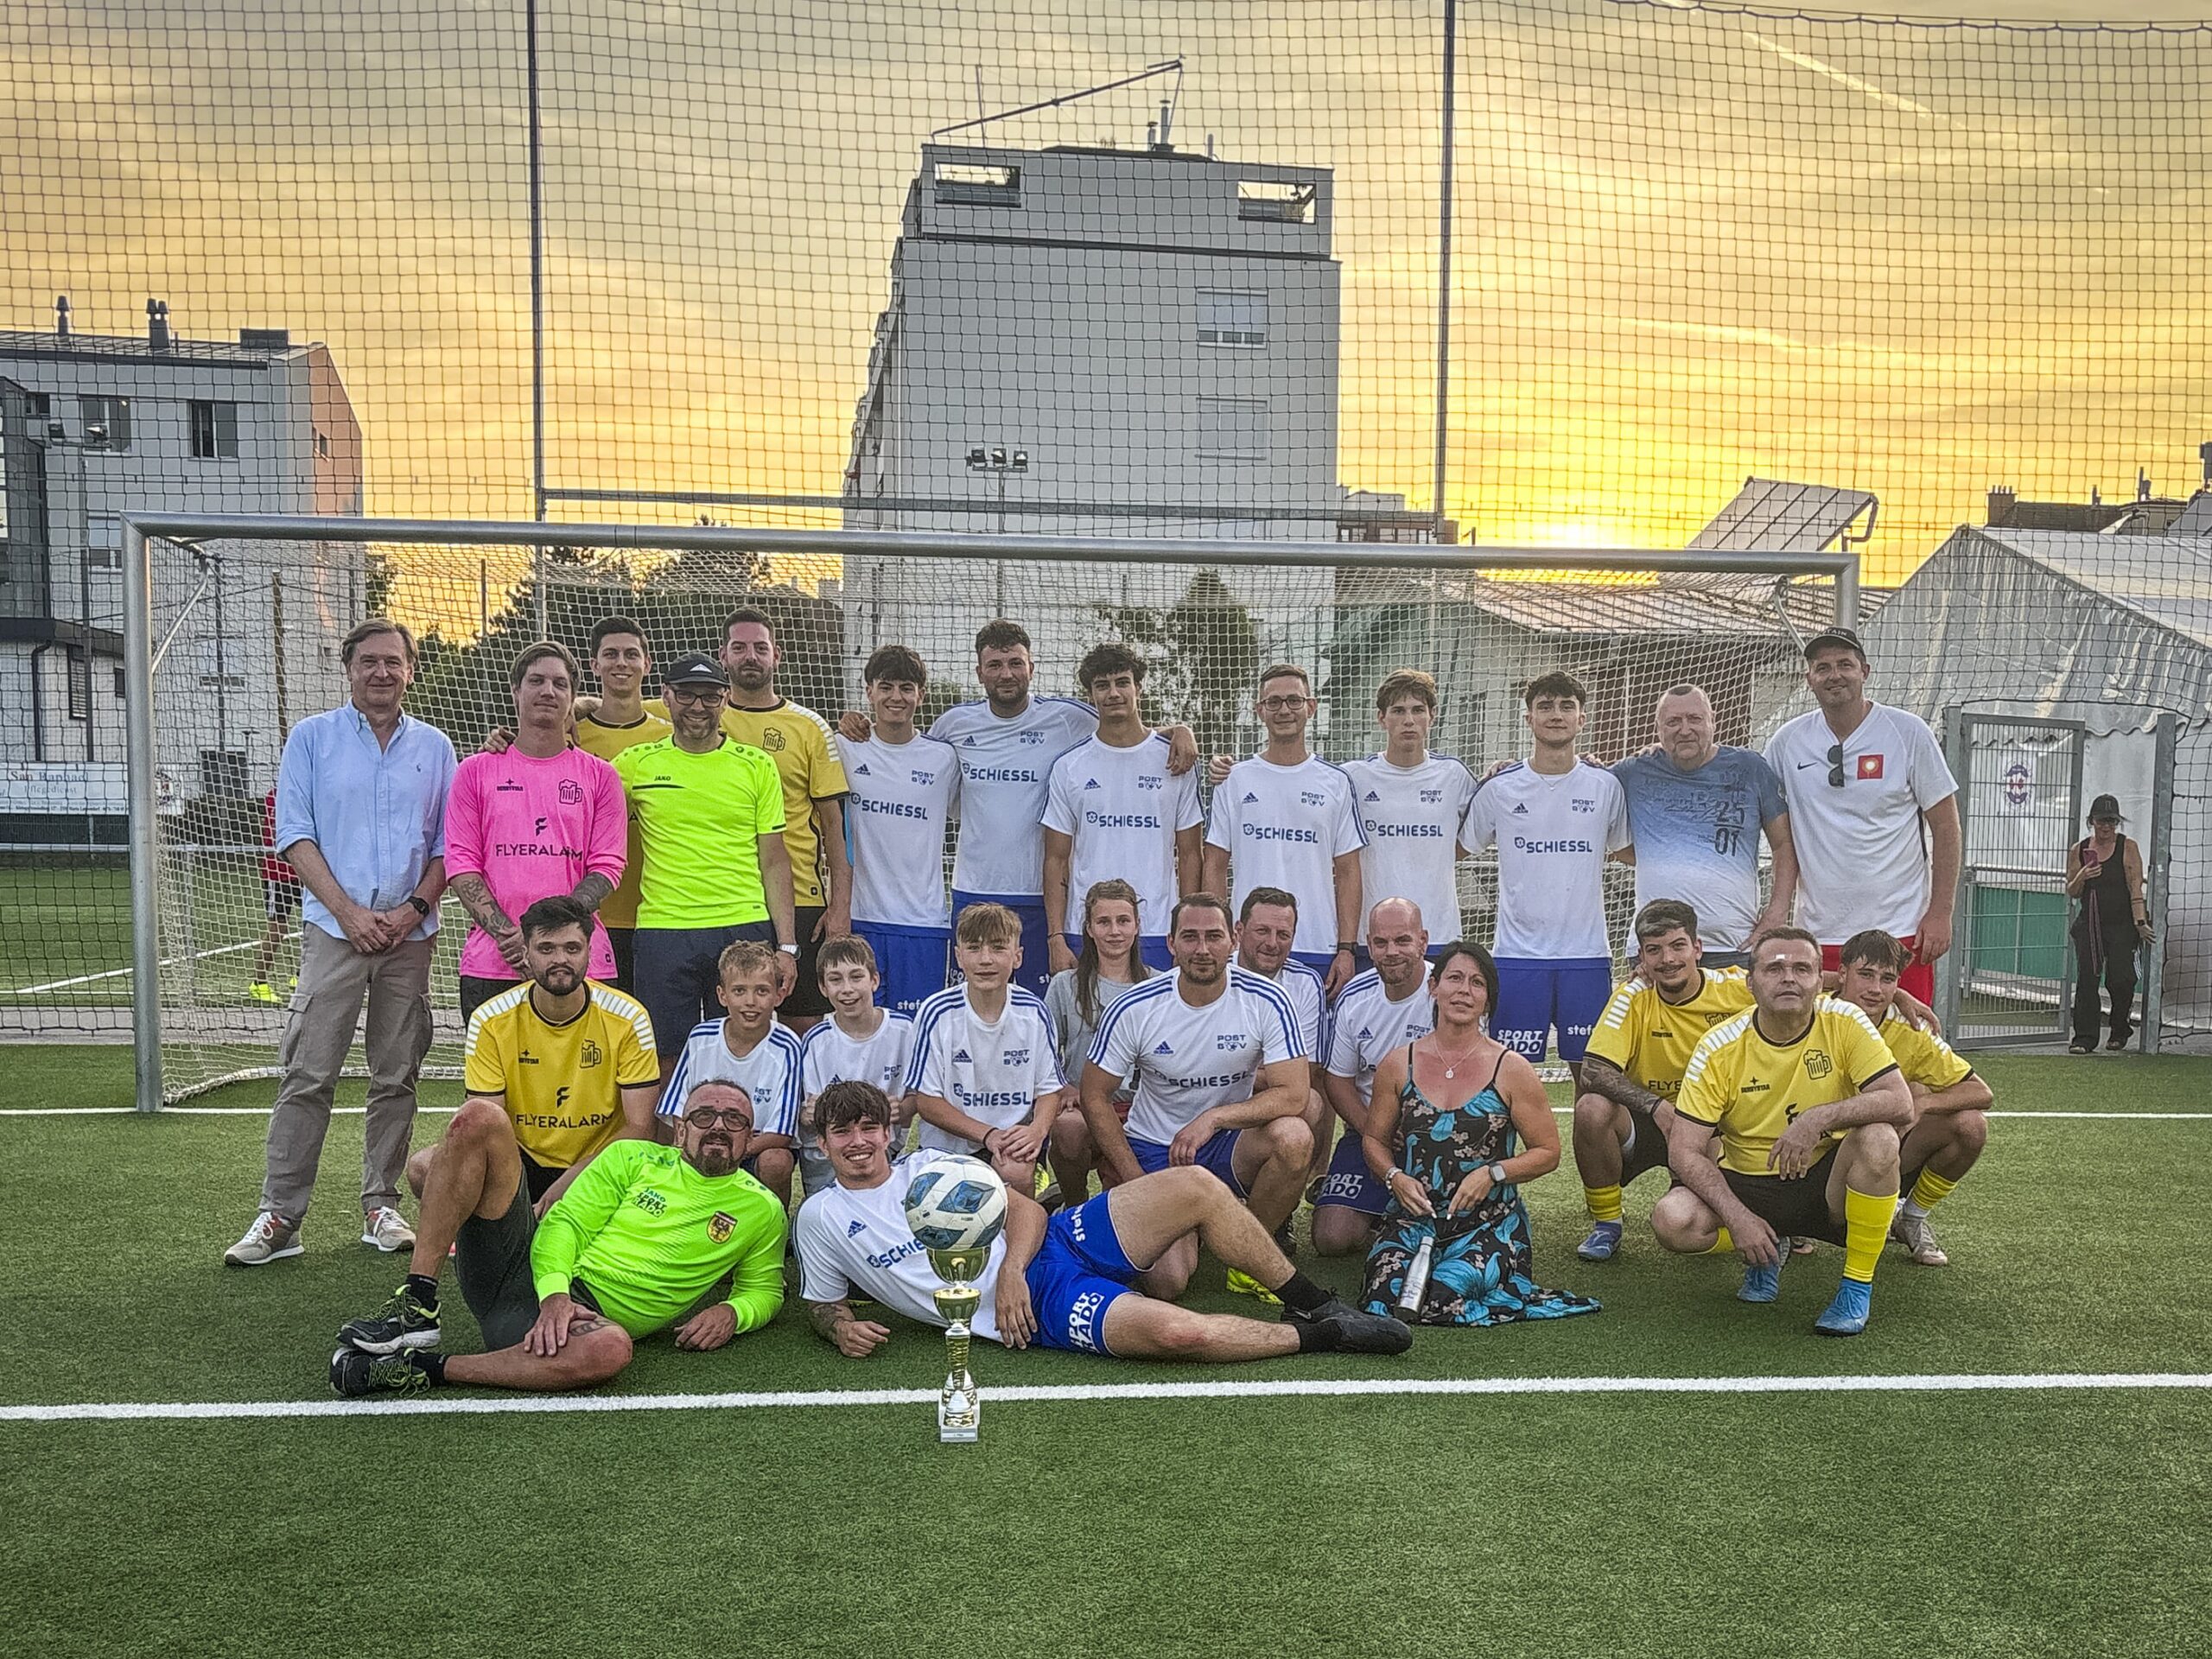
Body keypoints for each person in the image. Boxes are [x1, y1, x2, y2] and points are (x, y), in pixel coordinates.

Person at [798, 1081, 1411, 1362]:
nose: (859, 1142)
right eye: (842, 1132)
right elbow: (824, 1304)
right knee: (1182, 1336)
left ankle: (1313, 1302)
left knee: (1197, 1185)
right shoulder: (821, 1218)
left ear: (888, 1132)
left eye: (869, 1128)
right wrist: (839, 1329)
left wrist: (1010, 1268)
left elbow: (1028, 1209)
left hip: (1052, 1243)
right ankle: (1322, 1339)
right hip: (1046, 1303)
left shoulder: (929, 1165)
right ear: (823, 1145)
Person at [226, 618, 456, 1268]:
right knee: (308, 1074)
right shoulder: (311, 739)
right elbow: (295, 835)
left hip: (410, 937)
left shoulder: (436, 747)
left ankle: (382, 1208)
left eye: (394, 662)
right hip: (334, 932)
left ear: (411, 670)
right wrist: (350, 912)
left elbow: (448, 846)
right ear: (349, 669)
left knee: (396, 1075)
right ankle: (280, 1216)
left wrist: (412, 910)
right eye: (369, 663)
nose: (381, 673)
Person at [329, 1077, 785, 1395]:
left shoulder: (762, 1208)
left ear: (751, 1138)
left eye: (735, 1120)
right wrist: (554, 1295)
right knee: (481, 1115)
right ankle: (418, 1305)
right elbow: (565, 1223)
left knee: (610, 1349)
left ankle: (421, 1370)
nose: (719, 1127)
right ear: (681, 1128)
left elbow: (764, 1289)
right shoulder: (632, 1156)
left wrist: (733, 1311)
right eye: (704, 1116)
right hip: (524, 1268)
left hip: (582, 1321)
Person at [852, 619, 1196, 996]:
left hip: (1040, 899)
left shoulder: (1066, 718)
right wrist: (860, 728)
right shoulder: (954, 724)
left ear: (1031, 668)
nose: (1006, 673)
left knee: (1041, 1006)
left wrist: (1178, 731)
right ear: (979, 672)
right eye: (995, 665)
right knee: (976, 1004)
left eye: (1016, 663)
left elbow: (1123, 728)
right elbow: (907, 757)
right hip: (974, 891)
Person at [1650, 926, 1912, 1337]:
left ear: (1821, 980)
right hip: (1749, 1185)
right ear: (1750, 983)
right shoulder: (1718, 1046)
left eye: (1802, 968)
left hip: (1827, 1183)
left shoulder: (1845, 1020)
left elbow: (1900, 1102)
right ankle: (1767, 1249)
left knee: (1880, 1137)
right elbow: (1683, 1149)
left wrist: (1817, 1119)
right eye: (1774, 969)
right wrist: (1737, 1218)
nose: (1789, 977)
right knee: (1672, 1219)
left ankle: (1856, 1286)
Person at [1080, 894, 1313, 1302]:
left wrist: (1215, 1118)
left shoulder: (1268, 999)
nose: (1202, 950)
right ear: (1171, 943)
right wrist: (1135, 1179)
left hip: (1225, 1144)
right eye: (1190, 937)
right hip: (1157, 1150)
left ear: (1233, 940)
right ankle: (1131, 1210)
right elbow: (1094, 1095)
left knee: (1294, 1136)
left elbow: (1295, 1094)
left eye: (1213, 936)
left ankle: (1249, 1260)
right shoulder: (1136, 1006)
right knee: (1168, 1284)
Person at [1358, 942, 1599, 1328]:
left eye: (1477, 983)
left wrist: (1493, 1173)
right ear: (1433, 988)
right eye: (1454, 979)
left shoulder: (1511, 1068)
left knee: (1445, 1298)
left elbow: (1548, 1152)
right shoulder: (1397, 1063)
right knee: (1385, 1298)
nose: (1464, 991)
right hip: (1412, 1220)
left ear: (1487, 1000)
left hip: (1487, 1222)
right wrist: (1393, 1177)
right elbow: (1373, 1141)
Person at [644, 607, 849, 1029]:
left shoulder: (809, 727)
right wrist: (579, 705)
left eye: (760, 647)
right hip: (730, 905)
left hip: (799, 899)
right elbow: (621, 709)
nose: (750, 656)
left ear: (777, 655)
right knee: (723, 1027)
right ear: (724, 655)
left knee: (799, 1023)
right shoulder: (696, 709)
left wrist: (841, 908)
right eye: (739, 648)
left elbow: (835, 826)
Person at [1764, 626, 1960, 1006]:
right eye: (1823, 667)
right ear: (1809, 679)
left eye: (1845, 665)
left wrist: (1940, 913)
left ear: (1865, 671)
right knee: (1823, 1053)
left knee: (1906, 1049)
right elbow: (1776, 831)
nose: (1834, 675)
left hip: (1899, 930)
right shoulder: (1787, 742)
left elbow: (1947, 827)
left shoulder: (1908, 732)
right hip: (1819, 934)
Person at [614, 651, 796, 1058]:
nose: (698, 706)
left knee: (746, 1052)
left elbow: (774, 860)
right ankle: (666, 1127)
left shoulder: (757, 766)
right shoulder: (634, 765)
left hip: (743, 925)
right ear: (666, 697)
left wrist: (786, 946)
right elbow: (586, 804)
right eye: (686, 695)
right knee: (663, 1058)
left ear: (725, 699)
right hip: (665, 929)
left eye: (710, 696)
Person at [435, 895, 662, 1214]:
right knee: (424, 1169)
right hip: (520, 1161)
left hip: (599, 1163)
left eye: (572, 948)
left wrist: (566, 1186)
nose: (560, 960)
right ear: (526, 953)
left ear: (589, 952)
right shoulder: (490, 1019)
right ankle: (491, 1235)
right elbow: (489, 1125)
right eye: (546, 949)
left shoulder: (629, 1017)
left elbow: (640, 1129)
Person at [1459, 671, 1632, 1088]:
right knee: (1505, 1082)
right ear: (1528, 719)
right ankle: (1506, 1158)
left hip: (1586, 957)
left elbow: (1631, 854)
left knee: (1594, 1083)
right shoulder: (1500, 787)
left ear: (1582, 720)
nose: (1556, 715)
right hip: (1517, 957)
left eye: (1566, 706)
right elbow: (1455, 850)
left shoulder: (1606, 785)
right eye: (1546, 707)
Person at [443, 641, 626, 1023]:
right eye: (537, 681)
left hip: (580, 963)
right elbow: (461, 864)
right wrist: (512, 938)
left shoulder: (601, 776)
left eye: (560, 684)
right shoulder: (475, 771)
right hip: (494, 962)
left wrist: (550, 942)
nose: (548, 691)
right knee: (494, 1084)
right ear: (516, 690)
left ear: (573, 697)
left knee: (586, 1082)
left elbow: (607, 866)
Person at [1570, 899, 1752, 1262]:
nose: (1667, 959)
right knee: (1591, 1108)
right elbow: (1592, 1070)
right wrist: (1656, 1107)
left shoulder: (1738, 986)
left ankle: (1769, 1226)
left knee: (1692, 1214)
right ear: (1642, 957)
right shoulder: (1633, 995)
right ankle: (1607, 1224)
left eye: (1677, 946)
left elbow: (1810, 982)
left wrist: (1901, 1000)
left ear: (1698, 948)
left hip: (1713, 1125)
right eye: (1654, 950)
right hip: (1650, 1121)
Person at [1202, 663, 1366, 995]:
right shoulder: (1234, 779)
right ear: (1260, 711)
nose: (1284, 710)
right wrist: (1220, 939)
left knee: (1306, 1048)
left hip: (1316, 946)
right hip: (1247, 949)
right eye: (1274, 703)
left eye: (1294, 700)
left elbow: (1348, 871)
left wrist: (1346, 948)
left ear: (1311, 706)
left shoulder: (1335, 782)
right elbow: (1215, 865)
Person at [1834, 929, 1992, 1268]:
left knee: (1970, 1125)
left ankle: (1911, 1218)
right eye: (1866, 975)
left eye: (1888, 979)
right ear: (1842, 974)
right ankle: (1787, 1223)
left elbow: (1981, 1092)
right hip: (1810, 1150)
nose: (1876, 989)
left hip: (1881, 1149)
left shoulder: (1909, 1028)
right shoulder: (1811, 1012)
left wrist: (1921, 1105)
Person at [1043, 643, 1203, 976]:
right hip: (1085, 929)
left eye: (1122, 682)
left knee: (1157, 1026)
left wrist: (1186, 930)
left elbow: (1190, 853)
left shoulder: (1174, 761)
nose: (1113, 693)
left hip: (1158, 929)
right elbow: (1056, 858)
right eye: (1102, 685)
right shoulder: (1069, 766)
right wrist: (1056, 938)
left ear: (1138, 688)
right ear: (1091, 694)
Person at [1611, 683, 1797, 968]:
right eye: (1673, 722)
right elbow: (1586, 793)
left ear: (1713, 721)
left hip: (1735, 947)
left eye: (1694, 719)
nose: (1684, 730)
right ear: (1658, 729)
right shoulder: (1633, 772)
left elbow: (1784, 844)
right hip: (1656, 950)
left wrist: (1777, 914)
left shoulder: (1751, 768)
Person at [835, 644, 960, 1015]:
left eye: (906, 688)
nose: (896, 697)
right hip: (860, 918)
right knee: (857, 1031)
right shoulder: (842, 747)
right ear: (869, 691)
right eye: (886, 686)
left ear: (920, 695)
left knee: (915, 1032)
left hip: (923, 924)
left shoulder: (944, 758)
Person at [906, 903, 1066, 1191]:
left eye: (998, 948)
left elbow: (1049, 1091)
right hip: (949, 1149)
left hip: (1012, 1143)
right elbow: (926, 1102)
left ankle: (1029, 1226)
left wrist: (1036, 1132)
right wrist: (988, 1134)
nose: (985, 960)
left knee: (1013, 1169)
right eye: (974, 948)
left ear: (1017, 957)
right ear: (958, 956)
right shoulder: (936, 1013)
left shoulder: (1034, 1012)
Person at [1312, 898, 1437, 1258]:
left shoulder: (1449, 990)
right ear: (1369, 944)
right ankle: (1383, 1219)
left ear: (1423, 941)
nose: (1391, 952)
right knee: (1331, 1239)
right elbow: (1338, 1079)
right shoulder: (1355, 996)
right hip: (1369, 1131)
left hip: (1439, 1135)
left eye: (1403, 940)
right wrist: (1375, 1131)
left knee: (1447, 1232)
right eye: (1380, 943)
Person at [1343, 670, 1477, 961]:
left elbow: (1481, 827)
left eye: (1418, 710)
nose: (1408, 720)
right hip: (1373, 938)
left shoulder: (1453, 776)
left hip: (1439, 936)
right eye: (1398, 711)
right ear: (1382, 718)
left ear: (1432, 716)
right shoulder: (1353, 777)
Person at [660, 939, 805, 1206]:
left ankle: (774, 1232)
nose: (750, 1002)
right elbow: (675, 1111)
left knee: (777, 1161)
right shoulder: (701, 1036)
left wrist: (729, 1148)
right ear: (722, 995)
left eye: (762, 991)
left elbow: (782, 1134)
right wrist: (702, 1146)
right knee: (666, 1147)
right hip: (703, 1142)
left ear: (778, 995)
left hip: (755, 1147)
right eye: (739, 990)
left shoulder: (788, 1046)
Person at [569, 615, 670, 992]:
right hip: (593, 912)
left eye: (631, 654)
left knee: (652, 1035)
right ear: (594, 664)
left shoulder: (672, 735)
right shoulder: (572, 733)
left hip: (657, 913)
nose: (621, 663)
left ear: (648, 663)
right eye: (610, 655)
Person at [1044, 879, 1154, 1208]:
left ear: (1136, 926)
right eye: (1103, 922)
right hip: (1086, 1108)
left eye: (1123, 921)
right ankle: (1073, 1205)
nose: (1114, 931)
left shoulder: (1160, 985)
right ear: (1089, 929)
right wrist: (1064, 1088)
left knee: (1128, 1211)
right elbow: (1044, 1056)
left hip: (1145, 1111)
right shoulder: (1066, 986)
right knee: (1068, 1129)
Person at [798, 934, 916, 1199]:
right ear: (822, 987)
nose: (847, 988)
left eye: (856, 977)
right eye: (835, 980)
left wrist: (902, 1107)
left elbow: (916, 1100)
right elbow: (809, 1115)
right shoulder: (816, 1041)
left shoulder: (904, 1031)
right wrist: (808, 1113)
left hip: (884, 1150)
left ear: (874, 980)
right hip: (827, 1159)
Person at [2065, 793, 2152, 1053]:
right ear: (2091, 821)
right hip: (2090, 925)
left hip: (2122, 925)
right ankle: (2084, 1038)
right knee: (2088, 980)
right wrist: (2083, 874)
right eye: (2102, 821)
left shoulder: (2128, 847)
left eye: (2112, 822)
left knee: (2120, 979)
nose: (2106, 827)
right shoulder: (2078, 850)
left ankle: (2119, 1028)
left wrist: (2141, 922)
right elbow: (2072, 890)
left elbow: (2135, 887)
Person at [248, 783, 299, 1005]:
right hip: (278, 874)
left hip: (304, 871)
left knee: (316, 925)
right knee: (278, 928)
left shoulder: (303, 789)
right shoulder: (277, 795)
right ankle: (259, 983)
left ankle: (301, 975)